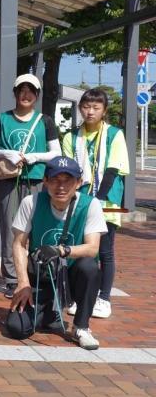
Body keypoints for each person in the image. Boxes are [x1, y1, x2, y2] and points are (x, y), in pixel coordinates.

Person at [6, 156, 106, 350]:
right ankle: (49, 311)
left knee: (90, 267)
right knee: (16, 328)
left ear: (78, 183)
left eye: (67, 180)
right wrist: (23, 282)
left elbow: (93, 248)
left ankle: (81, 327)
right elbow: (19, 244)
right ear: (45, 181)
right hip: (40, 276)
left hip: (71, 278)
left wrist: (61, 250)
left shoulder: (90, 205)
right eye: (54, 180)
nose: (61, 186)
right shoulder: (31, 202)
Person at [0, 74, 61, 299]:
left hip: (37, 178)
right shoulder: (2, 119)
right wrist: (7, 153)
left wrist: (34, 157)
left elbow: (56, 153)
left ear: (36, 95)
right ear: (15, 93)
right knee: (10, 227)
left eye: (31, 90)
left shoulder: (45, 121)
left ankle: (34, 272)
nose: (25, 94)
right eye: (21, 90)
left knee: (36, 226)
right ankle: (11, 278)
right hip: (7, 179)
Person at [61, 88, 129, 319]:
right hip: (80, 200)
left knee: (105, 251)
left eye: (96, 108)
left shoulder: (114, 135)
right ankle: (80, 297)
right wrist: (85, 201)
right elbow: (70, 170)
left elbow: (112, 169)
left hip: (106, 201)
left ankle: (104, 299)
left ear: (104, 110)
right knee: (82, 250)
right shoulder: (71, 136)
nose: (90, 112)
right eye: (86, 107)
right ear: (80, 108)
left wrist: (98, 200)